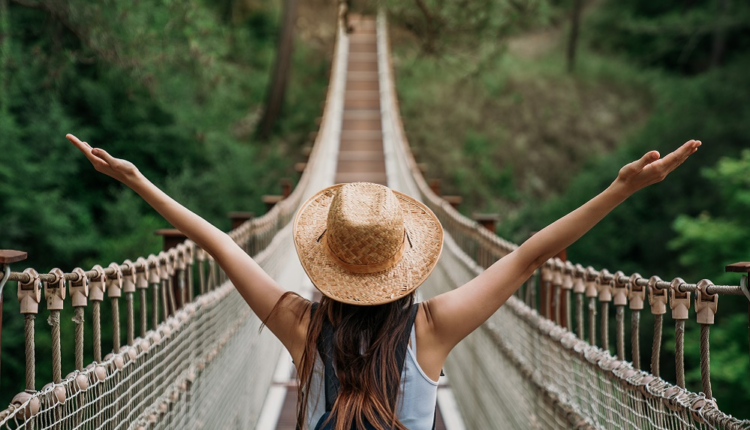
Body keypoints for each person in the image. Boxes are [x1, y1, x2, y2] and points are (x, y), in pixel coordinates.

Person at [66, 134, 701, 430]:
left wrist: (137, 180)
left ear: (327, 261)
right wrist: (619, 190)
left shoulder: (300, 325)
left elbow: (216, 242)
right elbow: (532, 257)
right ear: (405, 262)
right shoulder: (433, 328)